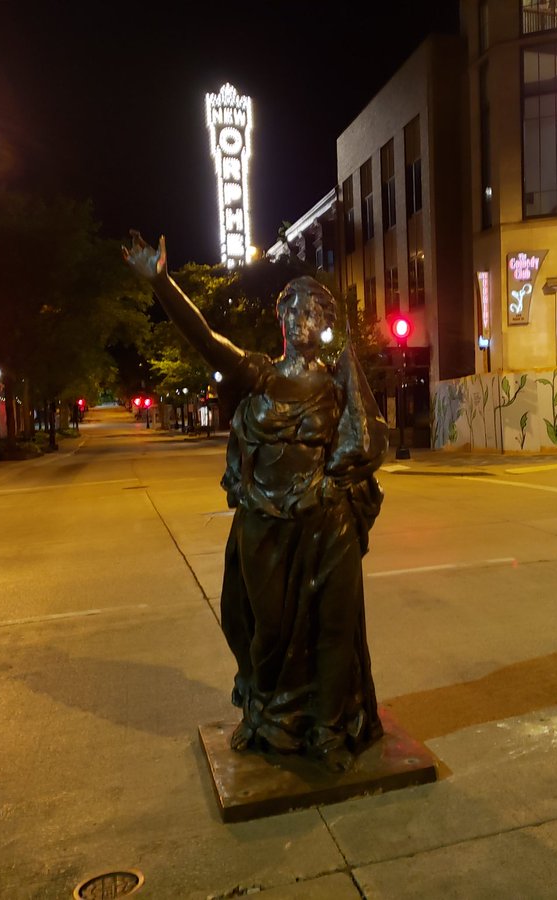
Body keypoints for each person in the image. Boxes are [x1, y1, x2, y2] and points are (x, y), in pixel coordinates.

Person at [123, 231, 388, 771]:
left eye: (313, 309)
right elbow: (208, 341)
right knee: (263, 631)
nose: (301, 317)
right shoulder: (260, 375)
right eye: (292, 307)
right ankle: (272, 717)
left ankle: (328, 729)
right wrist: (162, 282)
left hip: (327, 521)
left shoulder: (337, 387)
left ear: (325, 323)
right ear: (281, 320)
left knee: (333, 627)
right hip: (266, 526)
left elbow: (366, 442)